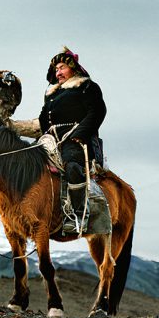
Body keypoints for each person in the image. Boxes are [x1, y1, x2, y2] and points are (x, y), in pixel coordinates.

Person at [38, 47, 106, 233]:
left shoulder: (86, 86)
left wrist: (80, 134)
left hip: (76, 138)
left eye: (61, 68)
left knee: (72, 167)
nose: (58, 73)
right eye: (56, 70)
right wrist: (46, 137)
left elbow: (97, 112)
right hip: (51, 140)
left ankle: (79, 214)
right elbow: (44, 118)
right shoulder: (51, 94)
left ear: (73, 68)